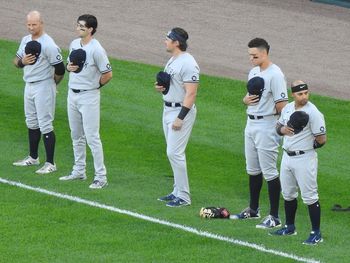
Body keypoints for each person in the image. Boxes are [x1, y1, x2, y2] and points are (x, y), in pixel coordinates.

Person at [231, 38, 288, 229]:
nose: (251, 59)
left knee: (270, 172)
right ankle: (253, 209)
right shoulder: (253, 72)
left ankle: (274, 217)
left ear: (265, 53)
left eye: (254, 56)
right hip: (251, 123)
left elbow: (283, 106)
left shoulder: (276, 75)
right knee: (252, 169)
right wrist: (244, 101)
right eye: (250, 55)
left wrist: (279, 128)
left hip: (267, 126)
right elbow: (249, 98)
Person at [59, 14, 112, 189]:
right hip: (72, 95)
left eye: (82, 26)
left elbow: (108, 74)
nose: (78, 28)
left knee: (92, 137)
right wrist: (68, 68)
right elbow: (69, 65)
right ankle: (79, 171)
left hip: (89, 96)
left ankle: (101, 176)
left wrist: (94, 87)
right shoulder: (74, 44)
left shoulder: (97, 50)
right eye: (78, 25)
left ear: (91, 29)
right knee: (76, 135)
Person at [270, 80, 326, 245]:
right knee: (288, 194)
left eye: (306, 93)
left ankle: (316, 233)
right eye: (300, 94)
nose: (304, 96)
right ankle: (289, 227)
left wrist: (308, 148)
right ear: (293, 94)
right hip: (287, 157)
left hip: (305, 159)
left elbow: (322, 139)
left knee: (310, 197)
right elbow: (277, 127)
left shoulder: (314, 113)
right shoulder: (287, 108)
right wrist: (283, 130)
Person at [13, 10, 65, 174]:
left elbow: (60, 69)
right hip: (28, 85)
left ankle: (51, 163)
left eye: (34, 24)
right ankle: (33, 158)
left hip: (44, 86)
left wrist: (53, 85)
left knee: (45, 124)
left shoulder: (49, 44)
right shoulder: (25, 40)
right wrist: (22, 62)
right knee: (31, 122)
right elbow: (16, 61)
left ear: (41, 23)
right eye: (28, 24)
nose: (30, 27)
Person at [155, 27, 200, 207]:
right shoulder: (173, 60)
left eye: (168, 38)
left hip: (181, 111)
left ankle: (184, 196)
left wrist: (180, 117)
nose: (165, 41)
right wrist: (162, 88)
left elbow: (191, 94)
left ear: (177, 42)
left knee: (174, 153)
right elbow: (173, 85)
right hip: (168, 109)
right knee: (172, 152)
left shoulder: (188, 63)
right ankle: (176, 191)